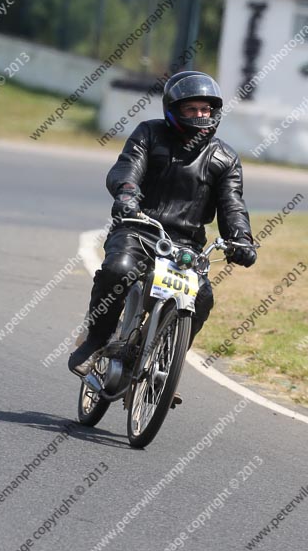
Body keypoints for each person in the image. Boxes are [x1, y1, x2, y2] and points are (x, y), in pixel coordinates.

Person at [69, 70, 257, 379]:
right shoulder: (149, 134)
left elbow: (232, 203)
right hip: (138, 228)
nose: (200, 115)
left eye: (205, 109)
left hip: (186, 245)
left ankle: (165, 365)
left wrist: (242, 239)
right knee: (118, 269)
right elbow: (127, 167)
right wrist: (127, 194)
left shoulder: (225, 158)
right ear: (173, 110)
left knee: (203, 298)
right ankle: (96, 339)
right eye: (191, 109)